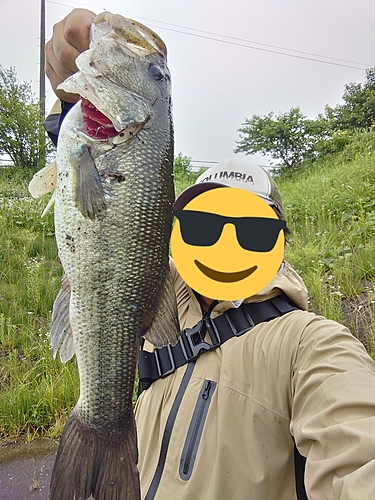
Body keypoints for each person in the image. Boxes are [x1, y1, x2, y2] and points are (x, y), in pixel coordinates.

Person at [45, 9, 375, 500]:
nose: (224, 242)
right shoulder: (155, 310)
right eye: (203, 223)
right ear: (173, 229)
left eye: (251, 231)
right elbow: (105, 213)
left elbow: (357, 443)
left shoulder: (308, 343)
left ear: (278, 244)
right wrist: (72, 92)